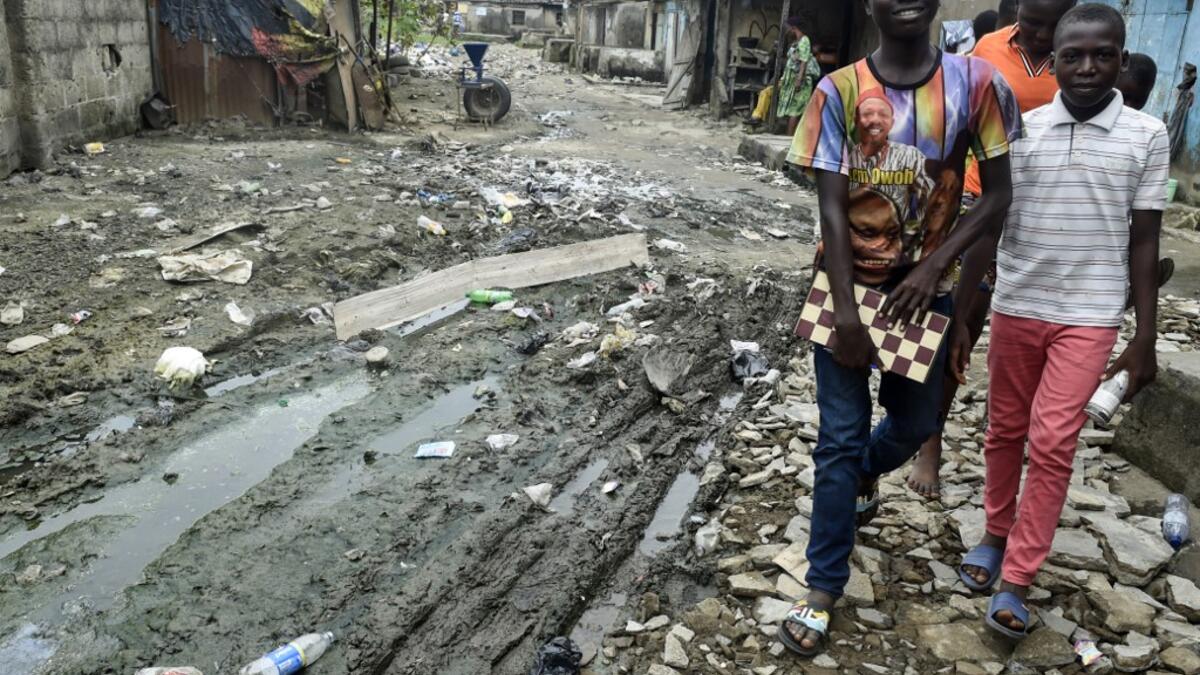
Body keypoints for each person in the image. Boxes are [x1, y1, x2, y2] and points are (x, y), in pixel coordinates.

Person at [780, 0, 1020, 657]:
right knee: (838, 433)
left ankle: (854, 477)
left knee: (916, 424)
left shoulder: (977, 85)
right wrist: (848, 313)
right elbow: (829, 204)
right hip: (846, 288)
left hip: (927, 293)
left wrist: (937, 266)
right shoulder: (839, 90)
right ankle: (824, 583)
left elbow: (997, 194)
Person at [956, 3, 1169, 640]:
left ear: (1121, 62)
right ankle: (995, 533)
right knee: (1003, 430)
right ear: (1054, 62)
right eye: (1071, 56)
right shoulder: (1020, 129)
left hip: (1091, 315)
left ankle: (1018, 575)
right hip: (1018, 303)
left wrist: (1145, 335)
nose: (1085, 67)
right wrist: (965, 312)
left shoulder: (1147, 136)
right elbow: (990, 225)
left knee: (1052, 444)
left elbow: (1144, 241)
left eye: (1102, 55)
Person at [906, 0, 1078, 500]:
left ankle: (1019, 430)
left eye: (1051, 25)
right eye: (1032, 21)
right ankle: (929, 438)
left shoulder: (1076, 59)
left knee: (1007, 326)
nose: (1040, 35)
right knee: (959, 314)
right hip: (980, 200)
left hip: (1040, 208)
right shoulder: (988, 49)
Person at [776, 17, 820, 135]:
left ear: (794, 28)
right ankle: (790, 136)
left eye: (787, 29)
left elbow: (804, 61)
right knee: (793, 109)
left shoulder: (804, 40)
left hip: (800, 81)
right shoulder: (797, 42)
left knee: (796, 109)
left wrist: (799, 79)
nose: (786, 32)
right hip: (792, 80)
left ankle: (791, 137)